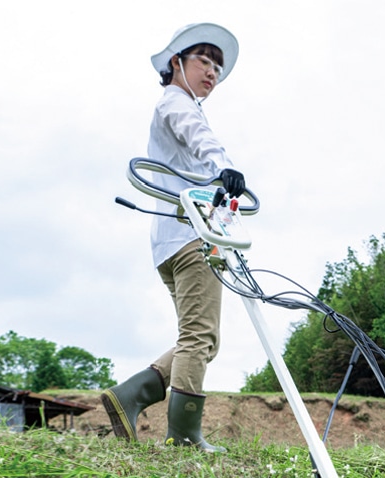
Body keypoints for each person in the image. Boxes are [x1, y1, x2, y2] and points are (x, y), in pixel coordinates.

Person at [101, 22, 246, 453]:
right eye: (205, 60)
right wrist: (223, 165)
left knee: (201, 338)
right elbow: (201, 138)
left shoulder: (178, 106)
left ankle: (130, 395)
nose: (213, 72)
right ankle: (183, 436)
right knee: (199, 337)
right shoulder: (176, 103)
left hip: (173, 239)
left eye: (218, 67)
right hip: (190, 238)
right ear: (176, 62)